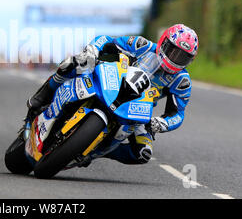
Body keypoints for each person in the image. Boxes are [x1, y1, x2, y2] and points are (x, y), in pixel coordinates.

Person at [25, 24, 198, 165]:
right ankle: (43, 96)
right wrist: (92, 50)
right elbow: (106, 40)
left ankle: (96, 151)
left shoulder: (181, 81)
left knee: (142, 153)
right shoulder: (142, 45)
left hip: (137, 110)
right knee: (71, 64)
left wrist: (162, 123)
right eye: (174, 52)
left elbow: (178, 114)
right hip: (110, 82)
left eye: (182, 57)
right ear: (164, 43)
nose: (175, 59)